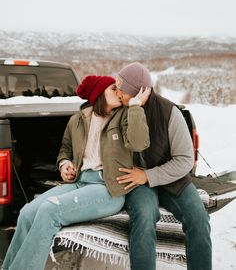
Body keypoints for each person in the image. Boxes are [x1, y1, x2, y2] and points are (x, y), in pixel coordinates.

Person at [2, 75, 150, 270]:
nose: (119, 92)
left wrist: (136, 107)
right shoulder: (77, 120)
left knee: (49, 211)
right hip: (79, 182)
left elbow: (139, 143)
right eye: (113, 88)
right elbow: (65, 149)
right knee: (27, 213)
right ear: (99, 93)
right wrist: (64, 164)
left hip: (106, 188)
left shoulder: (124, 116)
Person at [115, 62, 212, 270]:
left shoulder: (170, 113)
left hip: (171, 178)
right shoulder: (122, 110)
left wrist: (149, 175)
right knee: (144, 216)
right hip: (137, 181)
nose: (117, 92)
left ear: (135, 91)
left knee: (199, 218)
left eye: (121, 87)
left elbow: (185, 160)